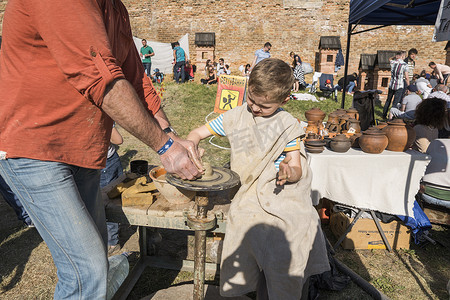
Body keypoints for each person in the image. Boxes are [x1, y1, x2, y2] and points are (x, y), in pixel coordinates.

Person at [0, 1, 202, 298]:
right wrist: (165, 147)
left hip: (82, 151)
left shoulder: (114, 7)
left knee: (95, 259)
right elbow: (100, 79)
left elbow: (136, 79)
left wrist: (170, 134)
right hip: (34, 148)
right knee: (87, 270)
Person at [187, 58, 330, 299]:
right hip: (249, 193)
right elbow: (197, 132)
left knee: (293, 231)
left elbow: (296, 168)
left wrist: (289, 171)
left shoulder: (287, 126)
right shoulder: (236, 116)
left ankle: (279, 287)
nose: (254, 108)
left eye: (264, 106)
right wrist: (192, 145)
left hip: (282, 192)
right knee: (247, 223)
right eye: (251, 100)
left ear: (284, 100)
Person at [101, 126, 124, 254]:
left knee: (107, 203)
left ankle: (112, 242)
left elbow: (118, 139)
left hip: (105, 164)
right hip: (105, 162)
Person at [382, 51, 410, 119]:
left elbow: (390, 59)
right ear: (403, 56)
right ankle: (391, 117)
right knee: (395, 102)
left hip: (392, 84)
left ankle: (384, 115)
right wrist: (408, 86)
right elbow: (406, 77)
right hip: (399, 85)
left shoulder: (393, 62)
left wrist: (395, 57)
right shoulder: (405, 65)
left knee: (388, 100)